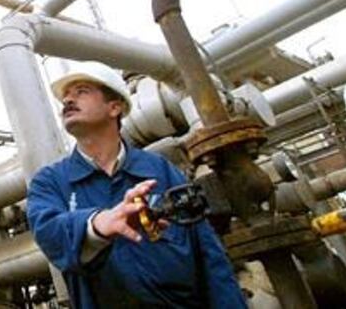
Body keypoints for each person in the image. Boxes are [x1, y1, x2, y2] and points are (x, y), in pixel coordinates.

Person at [26, 61, 246, 308]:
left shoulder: (160, 170)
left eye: (81, 91)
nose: (67, 100)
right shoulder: (51, 181)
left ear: (114, 107)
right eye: (65, 96)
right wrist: (97, 224)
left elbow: (207, 251)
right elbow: (48, 232)